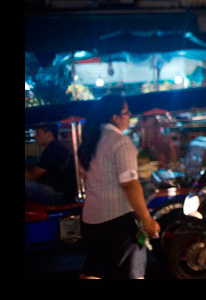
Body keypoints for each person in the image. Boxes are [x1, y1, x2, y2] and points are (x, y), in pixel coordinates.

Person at [77, 94, 160, 279]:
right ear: (115, 117)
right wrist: (146, 219)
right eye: (127, 113)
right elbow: (130, 184)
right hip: (118, 220)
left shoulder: (90, 142)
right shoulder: (121, 142)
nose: (130, 116)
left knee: (94, 270)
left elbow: (84, 175)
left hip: (91, 219)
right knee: (133, 273)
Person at [25, 124, 77, 205]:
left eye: (38, 134)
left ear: (49, 134)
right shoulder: (58, 147)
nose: (35, 137)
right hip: (64, 192)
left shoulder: (53, 149)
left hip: (59, 194)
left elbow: (33, 176)